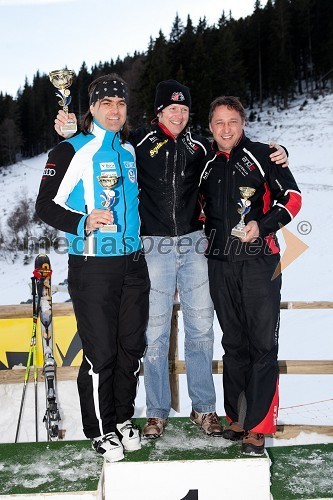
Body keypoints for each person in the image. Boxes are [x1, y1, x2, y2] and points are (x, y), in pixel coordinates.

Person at [54, 80, 288, 440]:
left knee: (201, 330)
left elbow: (235, 151)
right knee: (154, 334)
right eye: (170, 109)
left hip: (196, 245)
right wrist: (70, 131)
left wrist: (278, 152)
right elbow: (100, 144)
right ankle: (158, 413)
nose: (177, 114)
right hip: (154, 247)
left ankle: (204, 409)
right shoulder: (138, 145)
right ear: (159, 112)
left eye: (183, 109)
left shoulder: (201, 148)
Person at [36, 74, 150, 462]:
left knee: (131, 348)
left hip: (133, 264)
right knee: (101, 353)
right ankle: (100, 430)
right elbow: (47, 205)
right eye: (107, 104)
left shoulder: (130, 151)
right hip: (92, 265)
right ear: (93, 108)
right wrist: (83, 220)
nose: (115, 111)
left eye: (120, 104)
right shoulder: (72, 149)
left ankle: (121, 420)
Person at [199, 96, 302, 454]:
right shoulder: (206, 164)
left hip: (260, 262)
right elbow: (198, 211)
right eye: (219, 123)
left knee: (262, 345)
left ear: (243, 123)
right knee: (233, 343)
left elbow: (292, 198)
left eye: (232, 121)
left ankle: (258, 426)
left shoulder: (264, 154)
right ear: (210, 127)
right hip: (220, 264)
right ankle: (237, 418)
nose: (226, 129)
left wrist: (263, 224)